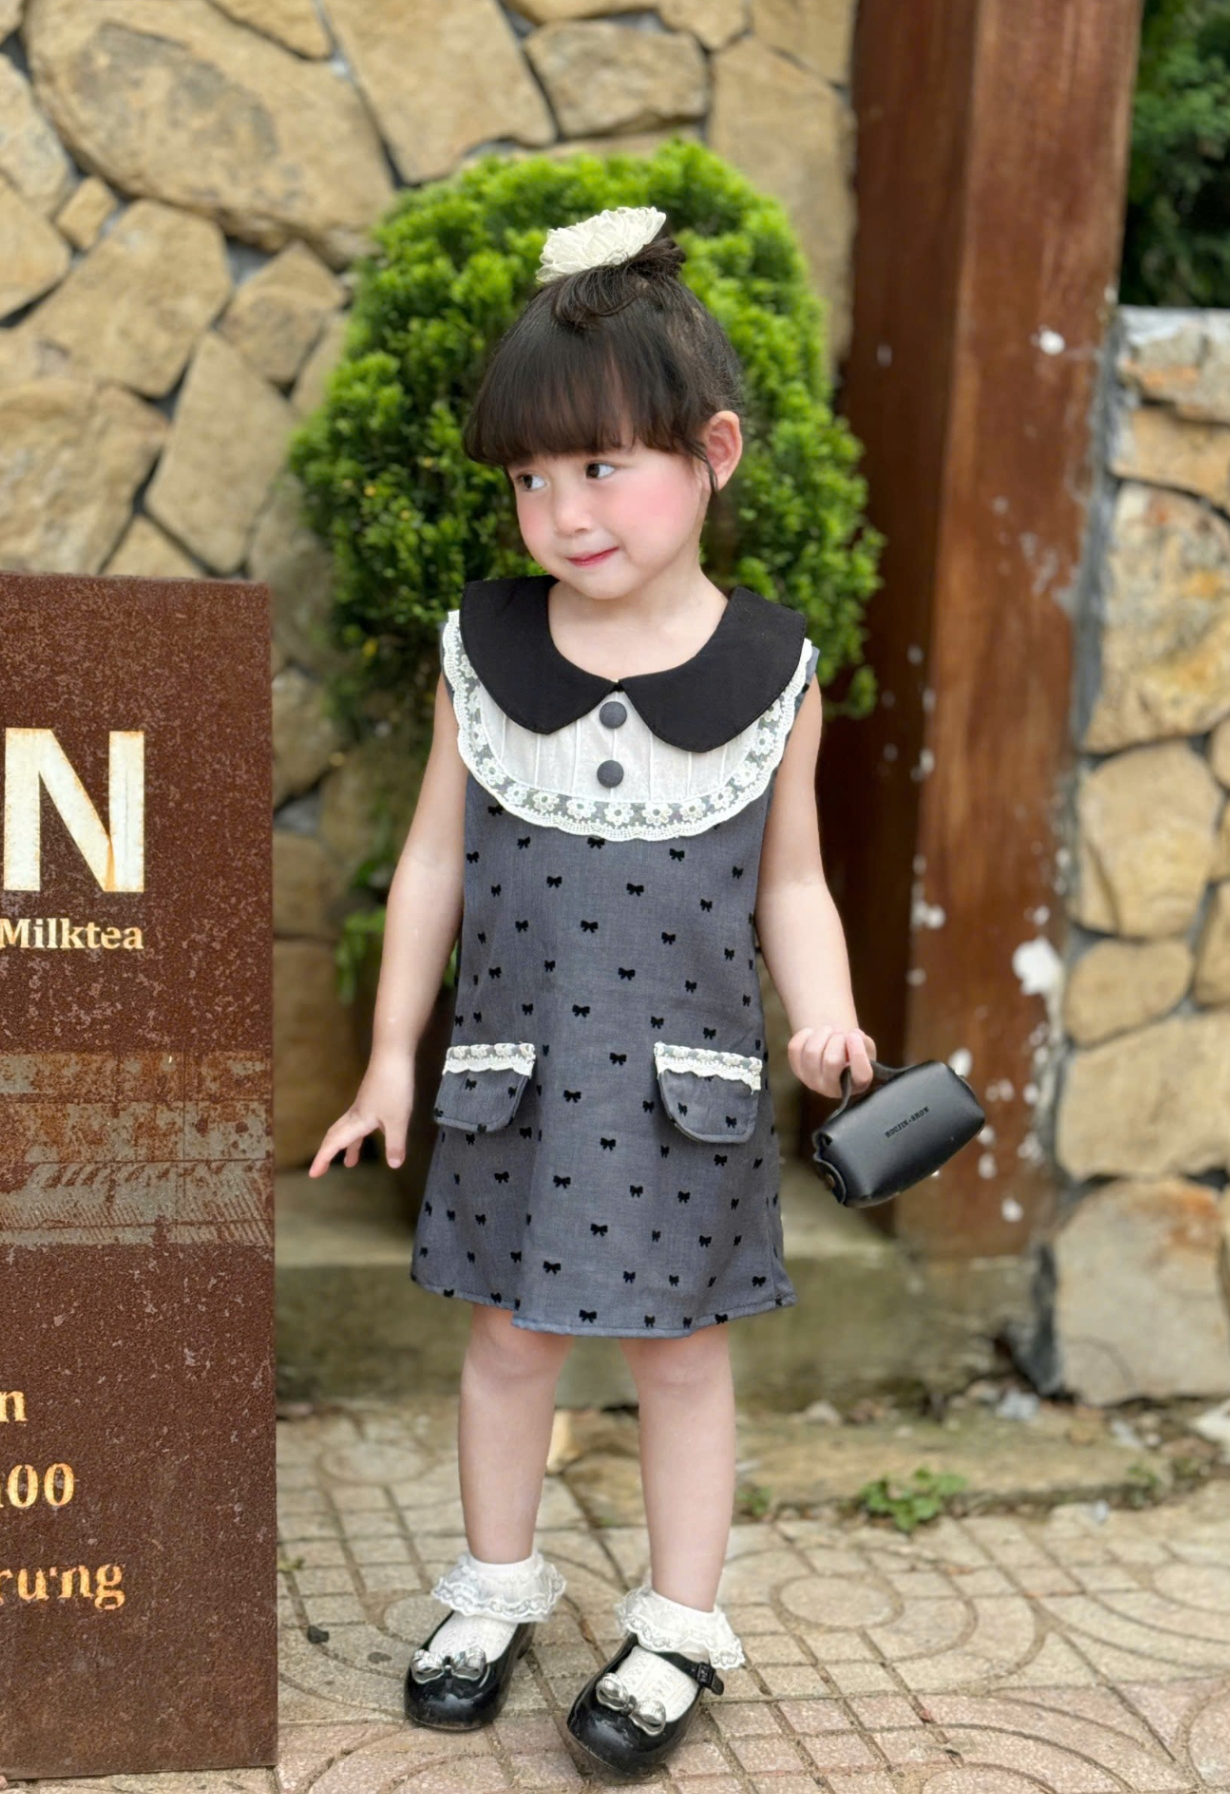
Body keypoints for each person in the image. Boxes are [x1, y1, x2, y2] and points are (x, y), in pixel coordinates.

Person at [307, 203, 876, 1780]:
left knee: (682, 1355)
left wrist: (824, 1014)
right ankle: (492, 1589)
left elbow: (792, 882)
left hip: (685, 1090)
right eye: (529, 478)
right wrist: (389, 1055)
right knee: (507, 1338)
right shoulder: (482, 651)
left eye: (602, 466)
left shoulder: (772, 672)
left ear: (713, 453)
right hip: (517, 1074)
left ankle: (676, 1625)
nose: (560, 510)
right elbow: (431, 860)